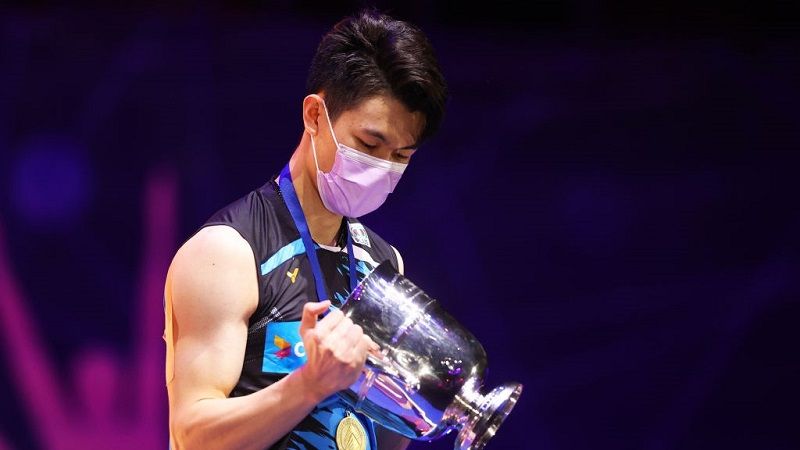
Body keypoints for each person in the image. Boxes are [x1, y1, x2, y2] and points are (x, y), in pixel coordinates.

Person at [164, 8, 448, 450]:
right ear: (315, 116)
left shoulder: (384, 264)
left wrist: (416, 398)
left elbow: (389, 440)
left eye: (401, 156)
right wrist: (309, 384)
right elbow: (193, 435)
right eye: (370, 144)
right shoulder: (228, 253)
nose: (382, 168)